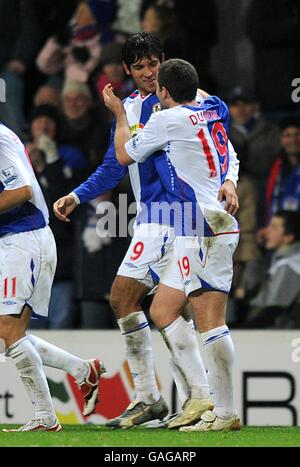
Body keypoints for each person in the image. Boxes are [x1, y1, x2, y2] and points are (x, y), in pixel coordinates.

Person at [54, 33, 239, 429]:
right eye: (139, 67)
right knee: (136, 302)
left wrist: (230, 180)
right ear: (128, 71)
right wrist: (77, 194)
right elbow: (113, 163)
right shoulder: (138, 107)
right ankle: (165, 398)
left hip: (176, 219)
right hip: (154, 219)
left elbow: (224, 143)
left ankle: (192, 397)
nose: (148, 72)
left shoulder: (189, 101)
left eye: (154, 64)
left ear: (164, 63)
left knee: (159, 304)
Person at [104, 57, 241, 431]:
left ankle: (224, 411)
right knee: (163, 311)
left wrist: (119, 114)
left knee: (210, 323)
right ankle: (201, 398)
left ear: (163, 91)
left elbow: (122, 155)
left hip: (204, 227)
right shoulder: (211, 109)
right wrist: (230, 180)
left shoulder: (166, 119)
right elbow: (230, 152)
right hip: (196, 226)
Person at [0, 121, 105, 432]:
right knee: (7, 331)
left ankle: (45, 417)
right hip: (16, 240)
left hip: (24, 239)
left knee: (8, 330)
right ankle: (83, 370)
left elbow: (22, 191)